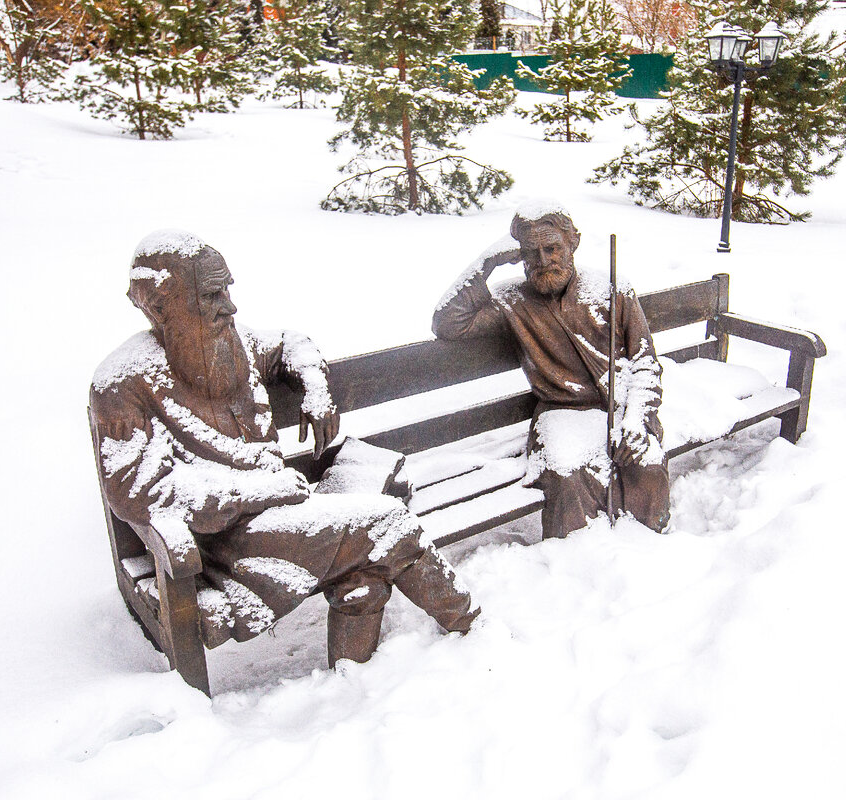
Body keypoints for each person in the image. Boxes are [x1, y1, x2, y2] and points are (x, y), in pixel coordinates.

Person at [90, 230, 478, 667]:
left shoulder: (231, 342)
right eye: (212, 294)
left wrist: (313, 386)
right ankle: (472, 627)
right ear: (160, 307)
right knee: (387, 521)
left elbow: (291, 343)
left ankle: (354, 678)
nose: (230, 306)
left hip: (285, 514)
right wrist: (257, 492)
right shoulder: (123, 384)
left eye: (228, 289)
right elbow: (139, 494)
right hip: (222, 541)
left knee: (364, 572)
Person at [432, 203, 671, 539]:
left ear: (571, 245)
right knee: (567, 477)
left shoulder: (612, 290)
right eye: (531, 252)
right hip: (560, 414)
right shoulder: (512, 299)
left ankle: (645, 550)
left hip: (620, 408)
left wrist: (637, 419)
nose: (543, 261)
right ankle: (575, 561)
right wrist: (487, 263)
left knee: (645, 466)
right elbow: (448, 323)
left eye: (552, 248)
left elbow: (645, 362)